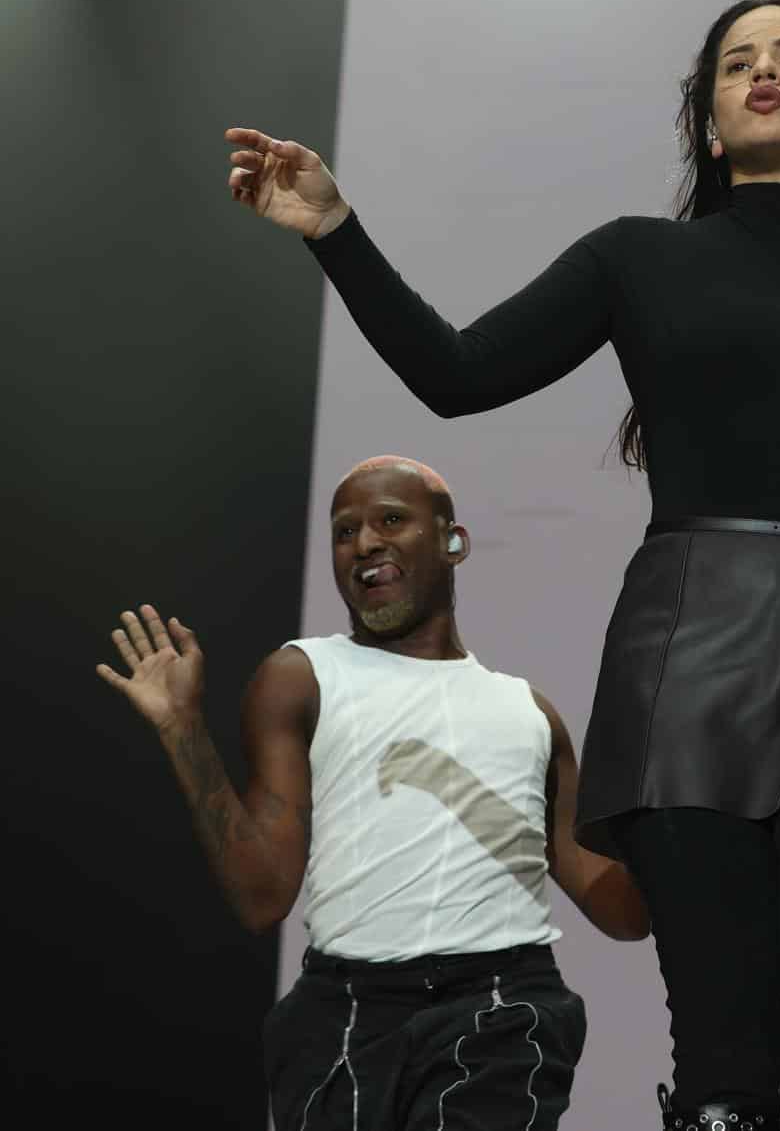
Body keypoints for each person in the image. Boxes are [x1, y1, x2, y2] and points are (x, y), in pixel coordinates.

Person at [223, 0, 780, 1130]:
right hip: (691, 653)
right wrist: (335, 228)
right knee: (724, 1030)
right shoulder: (638, 260)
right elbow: (457, 372)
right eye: (735, 64)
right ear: (712, 129)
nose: (762, 71)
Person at [96, 455, 651, 1130]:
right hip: (343, 1015)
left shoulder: (530, 713)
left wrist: (673, 787)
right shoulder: (300, 675)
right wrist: (184, 730)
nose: (364, 542)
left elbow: (624, 912)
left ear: (453, 542)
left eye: (390, 519)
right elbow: (262, 895)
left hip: (502, 1007)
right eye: (344, 531)